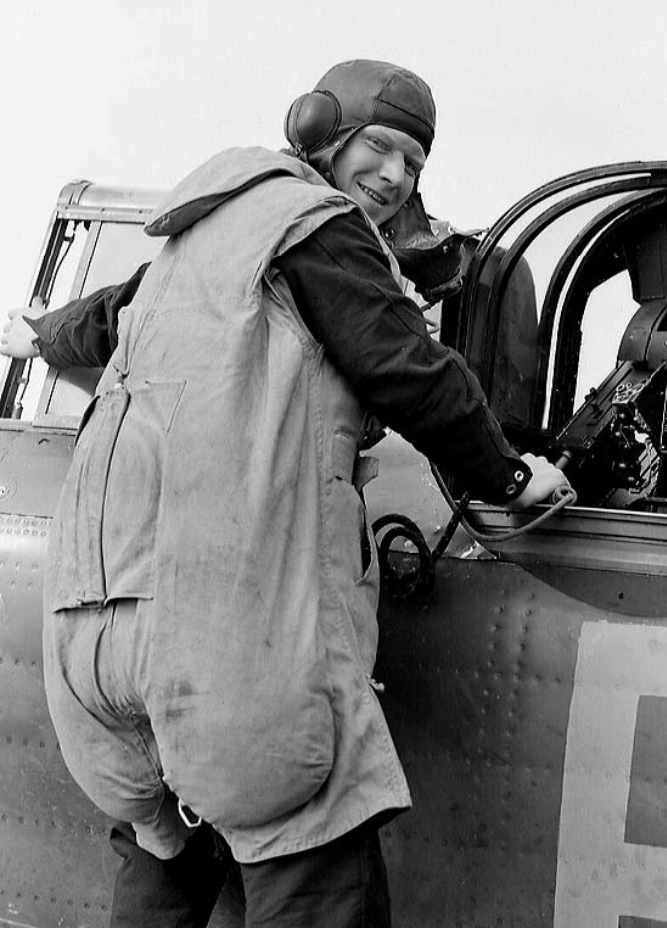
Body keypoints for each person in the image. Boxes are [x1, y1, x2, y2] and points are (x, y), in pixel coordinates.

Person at [0, 59, 569, 927]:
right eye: (379, 147)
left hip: (99, 645)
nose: (393, 177)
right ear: (319, 131)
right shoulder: (320, 228)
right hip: (229, 649)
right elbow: (409, 368)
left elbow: (98, 319)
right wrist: (512, 473)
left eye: (414, 163)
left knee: (167, 852)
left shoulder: (202, 236)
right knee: (315, 855)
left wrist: (35, 338)